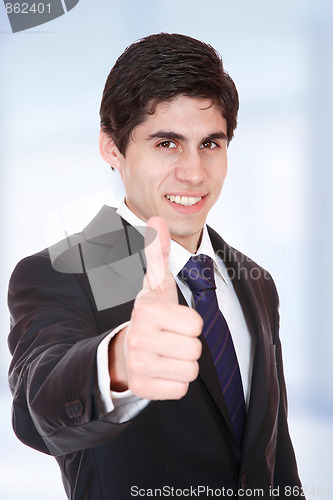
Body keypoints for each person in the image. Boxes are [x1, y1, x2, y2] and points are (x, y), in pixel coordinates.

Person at [7, 33, 302, 499]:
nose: (194, 172)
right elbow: (37, 410)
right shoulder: (66, 270)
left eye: (211, 143)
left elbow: (274, 456)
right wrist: (118, 363)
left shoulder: (256, 282)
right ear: (112, 148)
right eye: (167, 143)